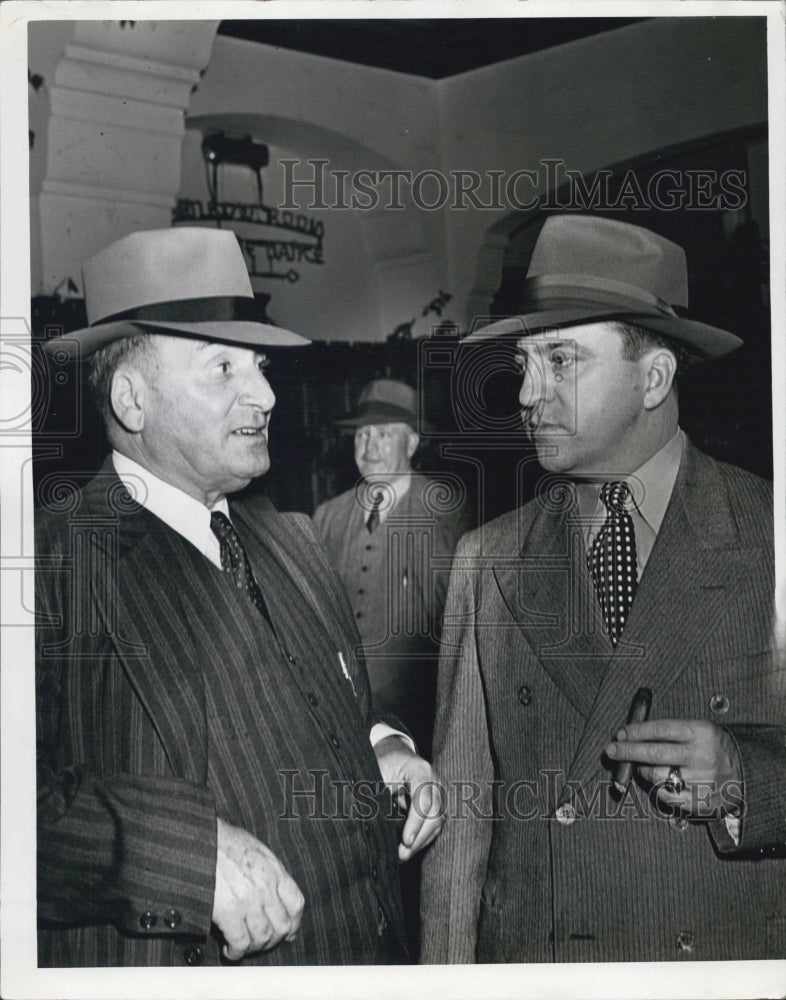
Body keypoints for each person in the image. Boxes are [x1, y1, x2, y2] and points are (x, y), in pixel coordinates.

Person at [35, 226, 443, 968]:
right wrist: (187, 856)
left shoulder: (293, 539)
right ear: (131, 399)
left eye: (257, 364)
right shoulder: (48, 567)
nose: (264, 393)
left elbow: (342, 704)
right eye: (222, 367)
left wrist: (383, 748)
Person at [420, 214, 785, 963]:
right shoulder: (486, 560)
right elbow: (461, 833)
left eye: (560, 360)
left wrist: (748, 779)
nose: (525, 392)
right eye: (524, 363)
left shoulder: (768, 534)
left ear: (653, 379)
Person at [313, 379, 471, 755]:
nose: (369, 446)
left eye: (384, 434)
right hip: (342, 717)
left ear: (412, 444)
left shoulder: (449, 512)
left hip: (424, 724)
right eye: (362, 434)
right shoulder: (326, 517)